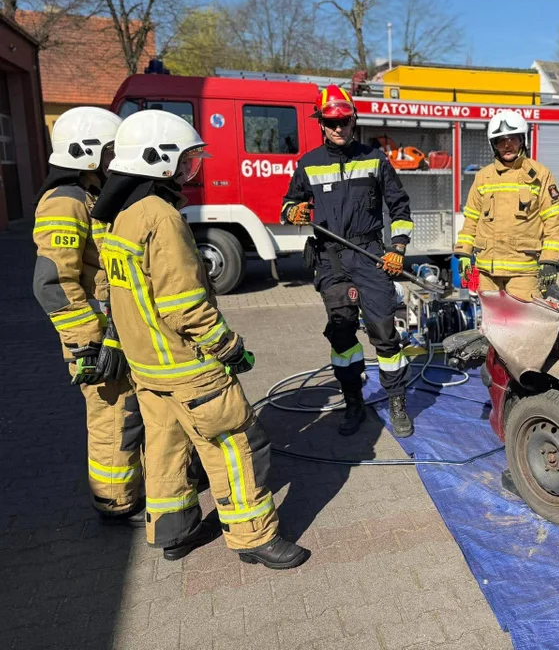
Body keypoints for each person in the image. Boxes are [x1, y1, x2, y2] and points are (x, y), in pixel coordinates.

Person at [91, 109, 308, 569]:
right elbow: (184, 304)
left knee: (166, 448)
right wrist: (227, 346)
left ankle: (174, 529)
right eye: (187, 162)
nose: (193, 171)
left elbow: (111, 293)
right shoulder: (160, 218)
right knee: (235, 443)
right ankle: (253, 537)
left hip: (147, 368)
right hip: (189, 367)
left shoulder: (118, 217)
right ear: (157, 162)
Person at [280, 85, 415, 438]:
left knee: (384, 331)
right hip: (331, 259)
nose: (338, 127)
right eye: (330, 121)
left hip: (371, 255)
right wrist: (292, 211)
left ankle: (397, 399)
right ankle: (353, 401)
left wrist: (397, 248)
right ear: (321, 123)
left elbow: (400, 207)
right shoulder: (308, 164)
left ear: (353, 120)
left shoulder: (374, 158)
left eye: (344, 121)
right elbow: (287, 205)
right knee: (342, 334)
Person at [32, 106, 145, 525]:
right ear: (86, 152)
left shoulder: (89, 195)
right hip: (93, 339)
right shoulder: (65, 203)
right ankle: (115, 502)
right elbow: (52, 282)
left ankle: (133, 484)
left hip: (111, 332)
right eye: (110, 151)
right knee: (111, 417)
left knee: (128, 413)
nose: (115, 159)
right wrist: (88, 342)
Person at [453, 110, 559, 300]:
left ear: (522, 140)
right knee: (492, 325)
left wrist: (549, 259)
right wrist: (464, 253)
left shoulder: (540, 175)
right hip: (487, 271)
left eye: (512, 139)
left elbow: (554, 221)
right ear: (493, 144)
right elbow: (471, 219)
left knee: (525, 324)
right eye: (500, 140)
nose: (507, 145)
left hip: (523, 273)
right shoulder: (484, 177)